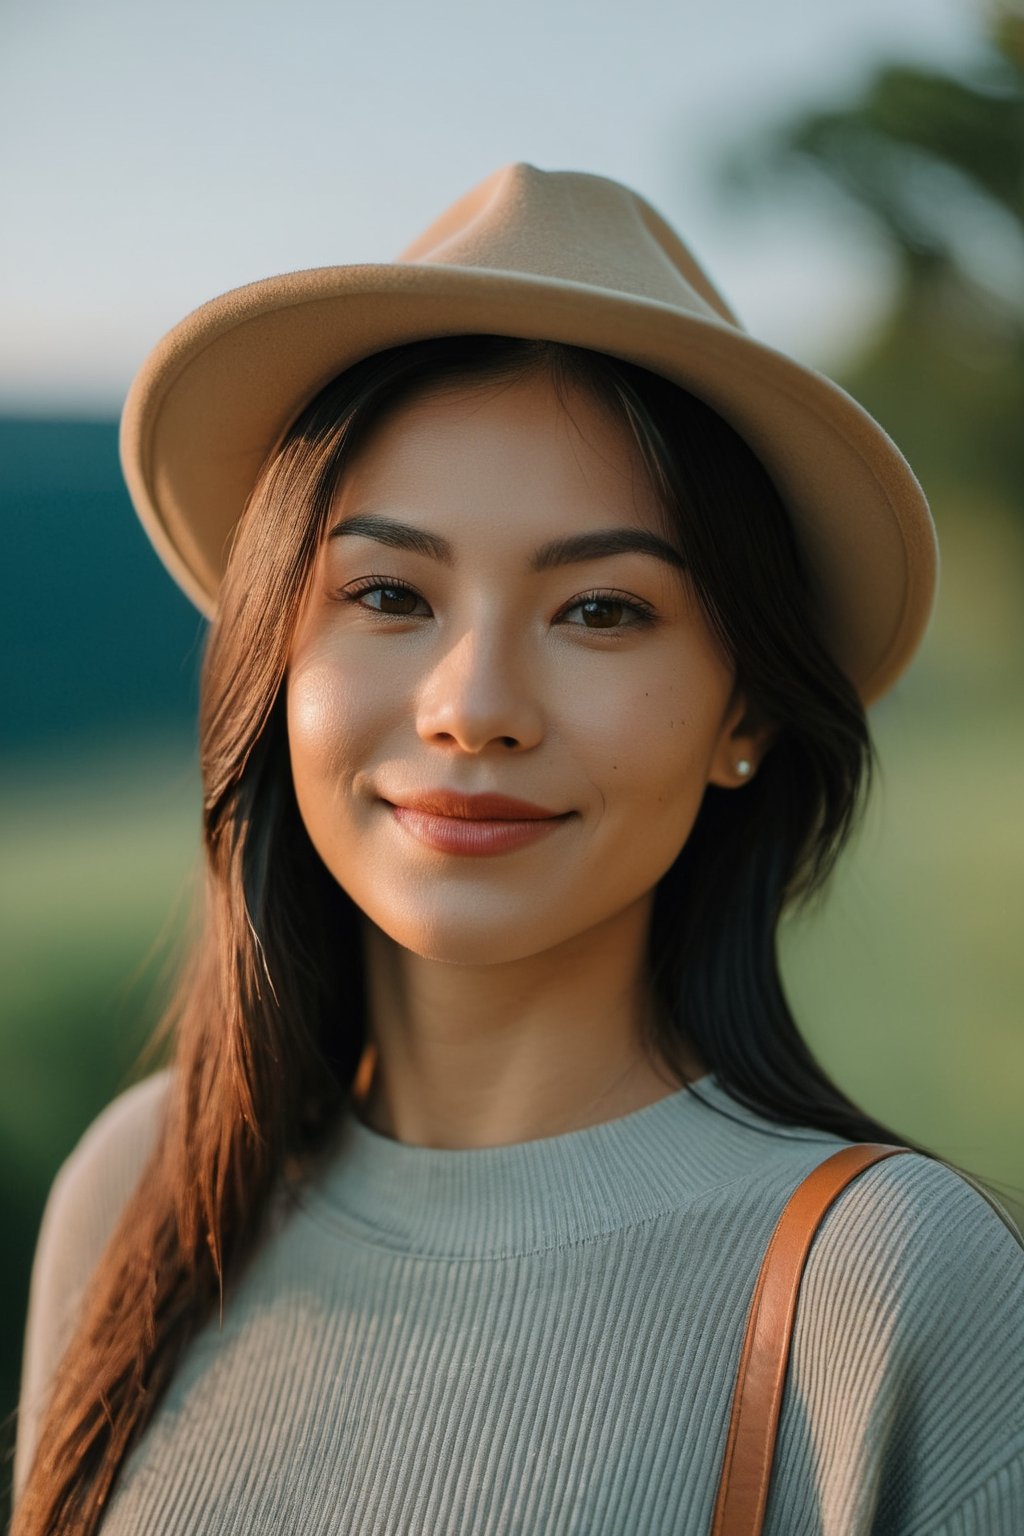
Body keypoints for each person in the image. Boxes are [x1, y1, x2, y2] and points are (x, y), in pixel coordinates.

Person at [11, 163, 1023, 1535]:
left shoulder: (889, 1286)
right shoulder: (143, 1188)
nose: (474, 706)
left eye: (602, 611)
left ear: (745, 713)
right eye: (387, 594)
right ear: (275, 661)